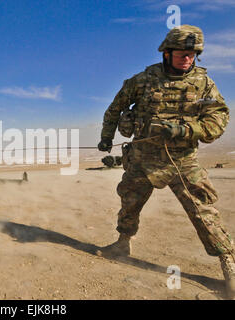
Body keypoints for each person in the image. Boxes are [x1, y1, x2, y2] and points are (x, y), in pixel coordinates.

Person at [97, 25, 235, 299]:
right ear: (167, 52)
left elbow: (218, 119)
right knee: (129, 201)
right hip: (142, 160)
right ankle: (123, 243)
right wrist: (105, 137)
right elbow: (114, 108)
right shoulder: (144, 79)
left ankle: (228, 264)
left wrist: (186, 131)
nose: (187, 58)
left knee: (203, 212)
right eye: (182, 53)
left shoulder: (204, 84)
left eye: (192, 54)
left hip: (182, 161)